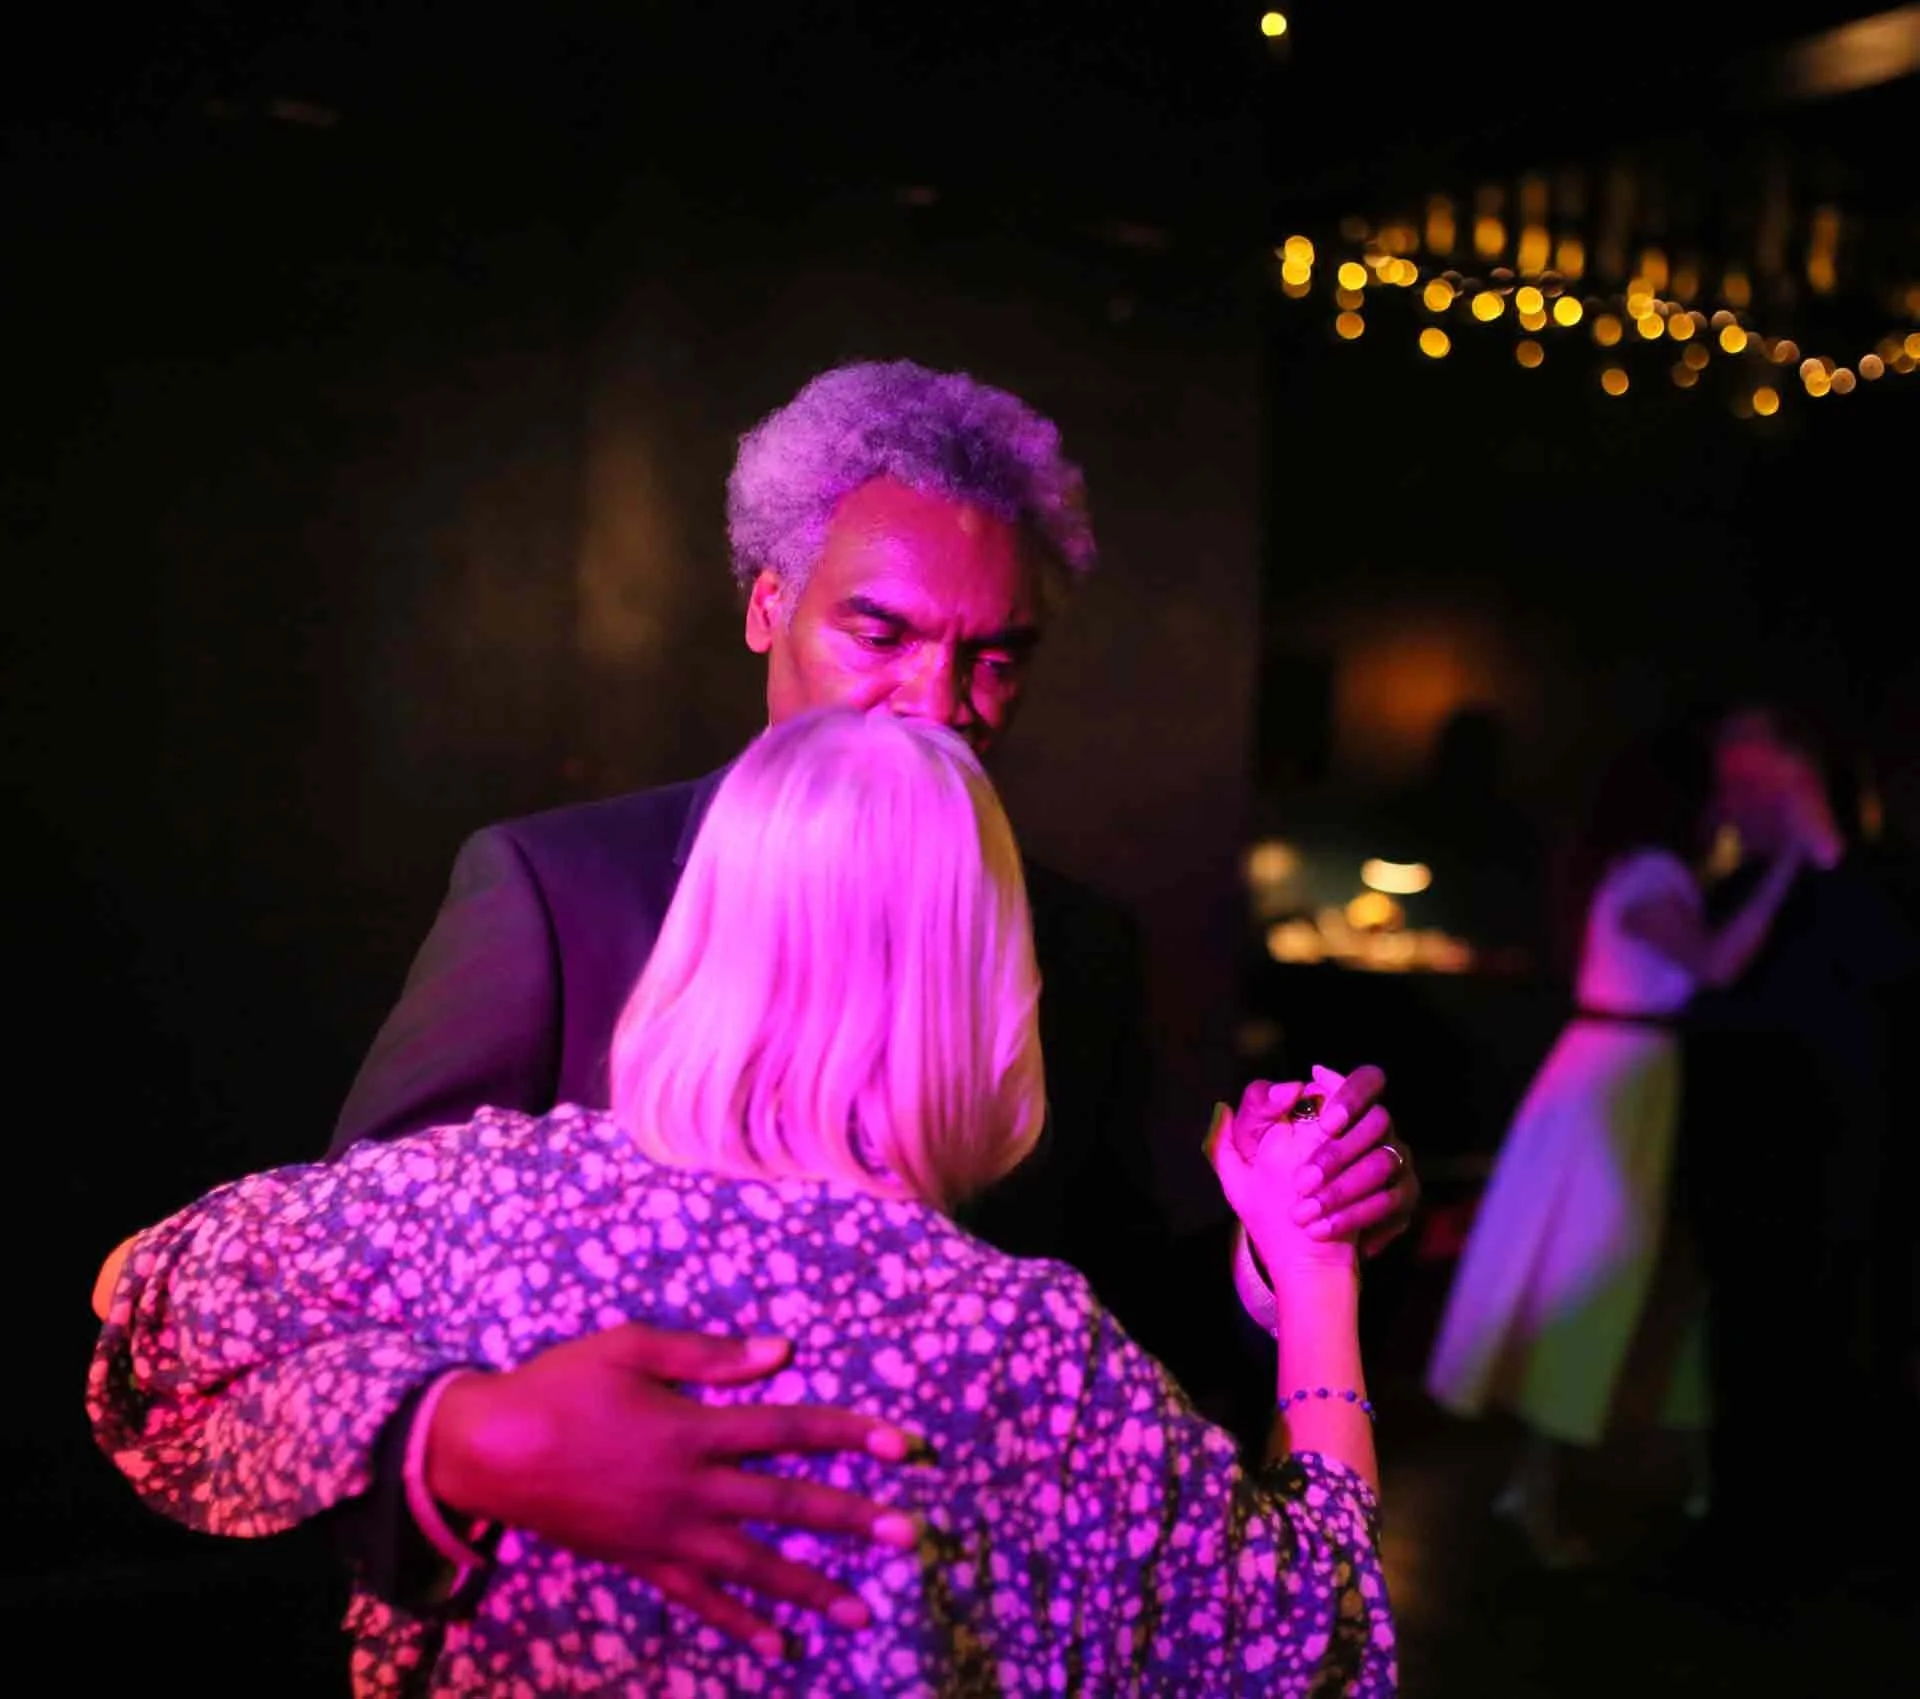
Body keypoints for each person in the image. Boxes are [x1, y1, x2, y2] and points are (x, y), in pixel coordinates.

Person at [91, 358, 1420, 1642]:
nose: (937, 703)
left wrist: (1278, 1257)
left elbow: (1116, 1327)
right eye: (882, 629)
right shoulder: (556, 886)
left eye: (996, 657)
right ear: (767, 604)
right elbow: (315, 1307)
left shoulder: (1074, 940)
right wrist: (470, 1444)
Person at [91, 707, 1397, 1697]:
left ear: (709, 932)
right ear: (991, 991)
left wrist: (448, 1426)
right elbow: (1324, 1637)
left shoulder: (486, 1195)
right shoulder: (1034, 1349)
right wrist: (1316, 1262)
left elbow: (143, 1297)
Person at [1423, 720, 1809, 1567]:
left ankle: (1647, 1471)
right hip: (1618, 1085)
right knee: (1592, 1276)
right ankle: (1537, 1485)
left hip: (1617, 1075)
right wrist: (1787, 865)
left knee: (1625, 1274)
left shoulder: (1634, 868)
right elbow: (1712, 964)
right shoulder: (1651, 872)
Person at [1676, 702, 1920, 1594]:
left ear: (1801, 777)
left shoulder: (1880, 883)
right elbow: (1711, 1005)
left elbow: (1889, 974)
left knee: (1846, 1347)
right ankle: (1749, 1538)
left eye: (1752, 780)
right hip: (1744, 1169)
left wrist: (1814, 837)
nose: (1735, 799)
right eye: (1728, 783)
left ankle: (1840, 1539)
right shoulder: (1738, 892)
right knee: (1745, 1350)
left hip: (1853, 1167)